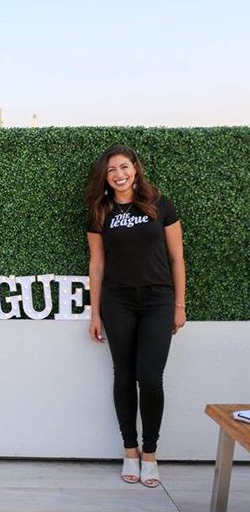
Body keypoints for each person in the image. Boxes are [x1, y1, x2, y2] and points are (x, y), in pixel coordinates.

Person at [85, 144, 186, 488]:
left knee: (151, 378)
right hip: (118, 302)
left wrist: (179, 305)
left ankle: (150, 453)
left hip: (158, 300)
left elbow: (177, 258)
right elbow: (97, 264)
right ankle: (130, 450)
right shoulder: (100, 211)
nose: (119, 174)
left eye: (124, 167)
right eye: (111, 169)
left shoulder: (160, 204)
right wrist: (95, 313)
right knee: (124, 375)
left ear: (135, 169)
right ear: (105, 177)